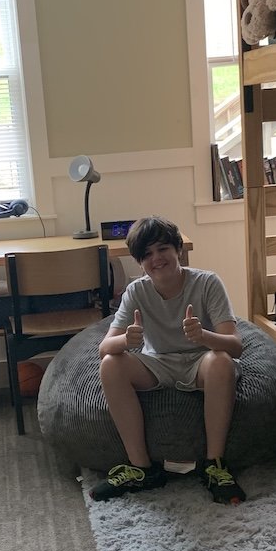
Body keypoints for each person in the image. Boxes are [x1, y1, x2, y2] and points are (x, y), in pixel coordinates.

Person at [89, 216, 246, 505]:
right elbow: (104, 348)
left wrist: (203, 336)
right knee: (110, 363)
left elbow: (235, 346)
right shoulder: (137, 291)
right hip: (157, 363)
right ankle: (141, 469)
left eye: (162, 249)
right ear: (140, 263)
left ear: (178, 250)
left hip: (201, 362)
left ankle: (214, 465)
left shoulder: (207, 282)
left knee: (222, 361)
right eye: (147, 255)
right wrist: (126, 341)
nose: (156, 259)